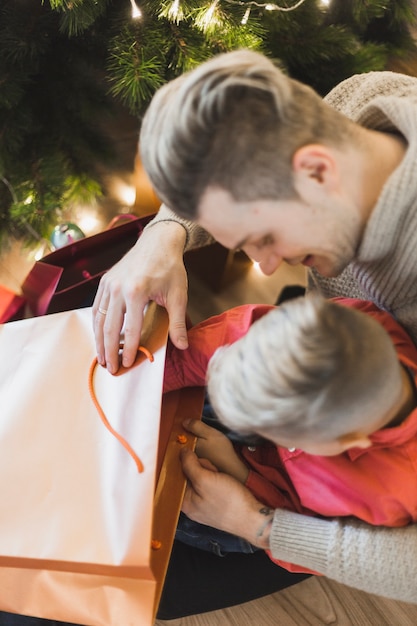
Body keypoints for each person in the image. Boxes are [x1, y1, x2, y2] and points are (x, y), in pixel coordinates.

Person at [92, 49, 417, 606]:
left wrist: (257, 521)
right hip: (306, 405)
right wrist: (164, 233)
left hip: (322, 506)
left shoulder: (386, 482)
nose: (266, 267)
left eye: (263, 238)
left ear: (318, 171)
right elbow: (232, 159)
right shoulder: (361, 104)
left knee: (103, 578)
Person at [162, 294, 417, 572]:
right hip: (264, 423)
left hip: (268, 505)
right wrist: (163, 378)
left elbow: (313, 540)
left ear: (348, 442)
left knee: (159, 515)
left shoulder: (395, 496)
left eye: (285, 439)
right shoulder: (353, 326)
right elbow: (238, 335)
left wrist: (242, 478)